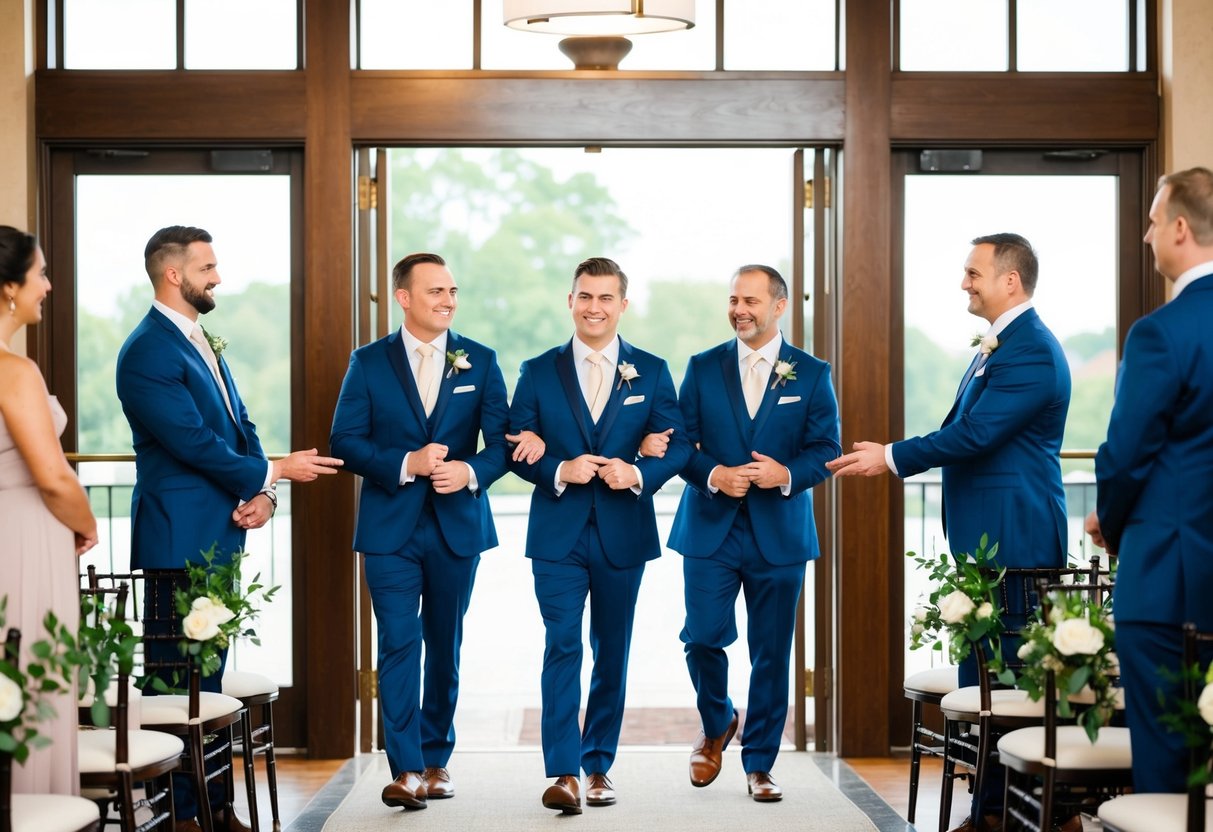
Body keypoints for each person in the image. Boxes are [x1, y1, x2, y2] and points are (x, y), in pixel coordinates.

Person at [827, 233, 1071, 832]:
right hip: (986, 543)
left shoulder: (1030, 350)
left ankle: (1032, 814)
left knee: (1009, 683)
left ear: (1010, 280)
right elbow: (967, 430)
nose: (965, 282)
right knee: (984, 677)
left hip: (1016, 541)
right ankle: (990, 811)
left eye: (974, 272)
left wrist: (892, 456)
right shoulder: (999, 346)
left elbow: (976, 435)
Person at [116, 225, 342, 832]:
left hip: (220, 527)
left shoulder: (197, 339)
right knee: (175, 678)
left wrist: (264, 491)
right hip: (176, 537)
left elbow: (239, 424)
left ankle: (215, 806)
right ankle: (180, 815)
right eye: (208, 267)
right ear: (173, 274)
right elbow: (189, 441)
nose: (218, 277)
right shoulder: (146, 351)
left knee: (208, 676)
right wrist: (275, 470)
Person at [330, 252, 519, 811]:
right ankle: (406, 768)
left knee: (445, 643)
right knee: (398, 642)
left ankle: (437, 759)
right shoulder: (367, 363)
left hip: (457, 528)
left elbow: (502, 443)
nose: (447, 300)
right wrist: (406, 462)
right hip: (389, 530)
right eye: (435, 291)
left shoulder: (479, 361)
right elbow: (345, 442)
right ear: (404, 297)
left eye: (452, 291)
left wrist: (469, 471)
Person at [508, 256, 691, 814]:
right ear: (570, 301)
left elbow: (679, 444)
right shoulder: (537, 371)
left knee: (611, 652)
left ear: (622, 305)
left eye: (605, 298)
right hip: (557, 535)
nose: (594, 307)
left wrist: (635, 472)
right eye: (584, 296)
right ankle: (562, 772)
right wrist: (559, 468)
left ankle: (598, 766)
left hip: (622, 532)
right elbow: (516, 444)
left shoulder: (653, 371)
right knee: (561, 645)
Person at [666, 264, 839, 803]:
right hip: (709, 529)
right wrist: (715, 475)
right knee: (700, 637)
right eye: (734, 299)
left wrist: (784, 474)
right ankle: (717, 721)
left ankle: (759, 763)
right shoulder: (701, 367)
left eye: (751, 301)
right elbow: (680, 446)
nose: (740, 309)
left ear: (779, 306)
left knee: (771, 652)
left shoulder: (811, 374)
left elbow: (827, 451)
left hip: (780, 534)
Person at [1085, 167, 1213, 794]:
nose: (1146, 235)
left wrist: (1109, 522)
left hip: (1170, 576)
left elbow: (1126, 455)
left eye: (1155, 221)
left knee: (1167, 758)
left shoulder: (1162, 333)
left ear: (1182, 229)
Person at [0, 226, 98, 795]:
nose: (49, 286)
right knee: (28, 680)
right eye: (39, 274)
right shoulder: (14, 372)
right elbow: (54, 475)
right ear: (10, 286)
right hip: (23, 543)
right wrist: (84, 525)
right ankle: (32, 805)